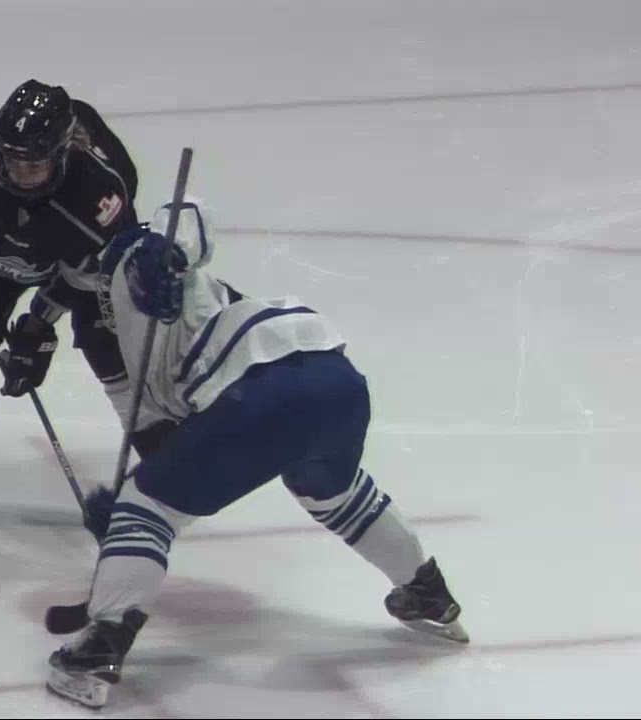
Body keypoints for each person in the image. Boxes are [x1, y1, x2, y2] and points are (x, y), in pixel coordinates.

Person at [43, 199, 469, 709]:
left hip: (259, 393)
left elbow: (184, 215)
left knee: (145, 511)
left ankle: (98, 652)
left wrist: (160, 251)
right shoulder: (176, 322)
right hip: (335, 380)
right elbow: (177, 445)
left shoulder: (133, 265)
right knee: (335, 495)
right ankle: (428, 593)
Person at [0, 78, 171, 503]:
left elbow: (87, 276)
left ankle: (163, 457)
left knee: (108, 346)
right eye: (11, 160)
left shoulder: (97, 197)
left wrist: (38, 323)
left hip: (79, 263)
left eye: (33, 165)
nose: (19, 173)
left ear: (61, 155)